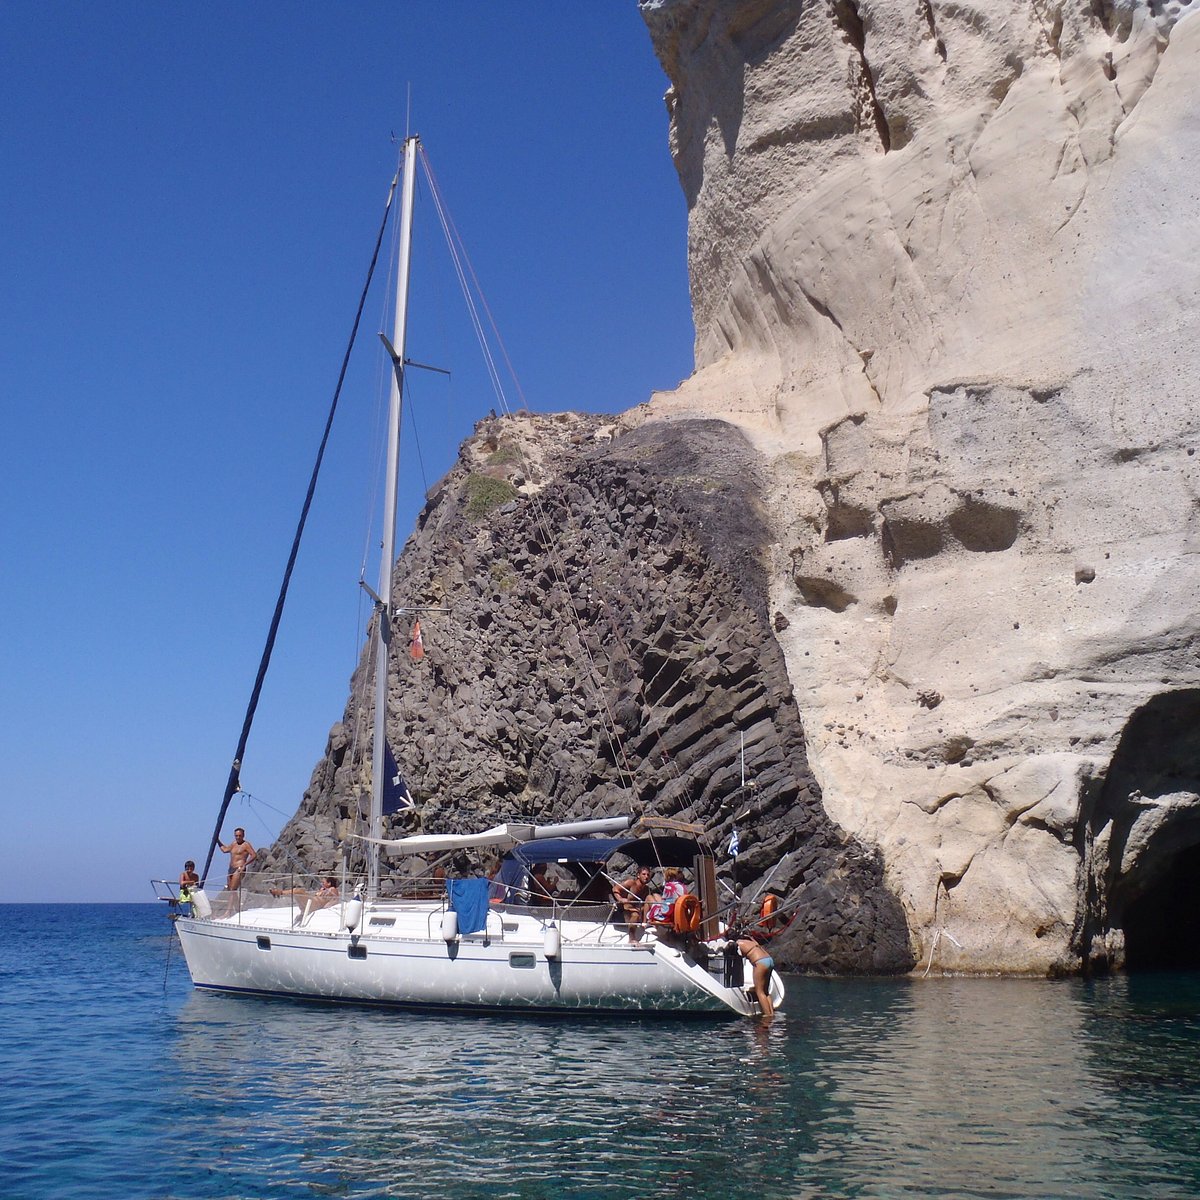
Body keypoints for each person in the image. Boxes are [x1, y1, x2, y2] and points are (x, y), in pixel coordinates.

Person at [734, 931, 776, 1020]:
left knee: (759, 992)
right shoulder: (752, 942)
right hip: (769, 960)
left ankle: (767, 1016)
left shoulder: (738, 943)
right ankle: (771, 1013)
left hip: (760, 962)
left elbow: (735, 957)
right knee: (765, 991)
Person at [612, 865, 652, 941]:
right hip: (624, 910)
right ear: (638, 875)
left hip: (637, 910)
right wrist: (620, 898)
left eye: (648, 875)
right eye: (643, 874)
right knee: (635, 915)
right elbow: (615, 888)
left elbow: (644, 903)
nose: (646, 877)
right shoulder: (631, 883)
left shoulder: (646, 889)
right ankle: (631, 938)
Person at [218, 827, 257, 891]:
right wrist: (217, 841)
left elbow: (254, 855)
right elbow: (225, 850)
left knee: (232, 889)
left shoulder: (246, 845)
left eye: (240, 836)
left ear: (243, 836)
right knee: (229, 889)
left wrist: (245, 864)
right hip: (231, 869)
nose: (238, 837)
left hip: (239, 869)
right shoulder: (234, 844)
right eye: (236, 836)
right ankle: (235, 901)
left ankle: (231, 901)